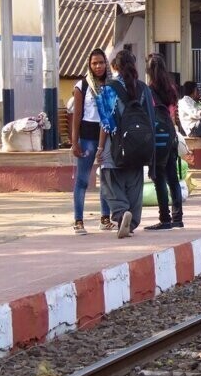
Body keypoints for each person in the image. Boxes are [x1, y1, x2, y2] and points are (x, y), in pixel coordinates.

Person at [96, 50, 156, 239]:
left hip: (115, 145)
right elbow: (151, 118)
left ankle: (122, 214)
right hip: (139, 144)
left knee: (110, 182)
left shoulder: (107, 89)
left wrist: (100, 148)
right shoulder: (144, 89)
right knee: (134, 183)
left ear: (114, 67)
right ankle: (132, 221)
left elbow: (105, 124)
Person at [71, 48, 114, 234]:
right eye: (94, 63)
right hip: (87, 138)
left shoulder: (111, 86)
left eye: (101, 62)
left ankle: (105, 219)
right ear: (89, 65)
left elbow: (110, 115)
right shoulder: (82, 86)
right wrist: (74, 142)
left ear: (106, 64)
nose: (98, 66)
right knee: (82, 180)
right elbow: (77, 115)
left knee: (105, 179)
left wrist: (103, 145)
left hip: (106, 138)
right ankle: (78, 221)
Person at [145, 53, 182, 230]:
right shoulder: (172, 89)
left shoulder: (148, 90)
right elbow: (173, 114)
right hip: (171, 134)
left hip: (157, 137)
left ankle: (164, 219)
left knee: (158, 177)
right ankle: (178, 218)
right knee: (172, 177)